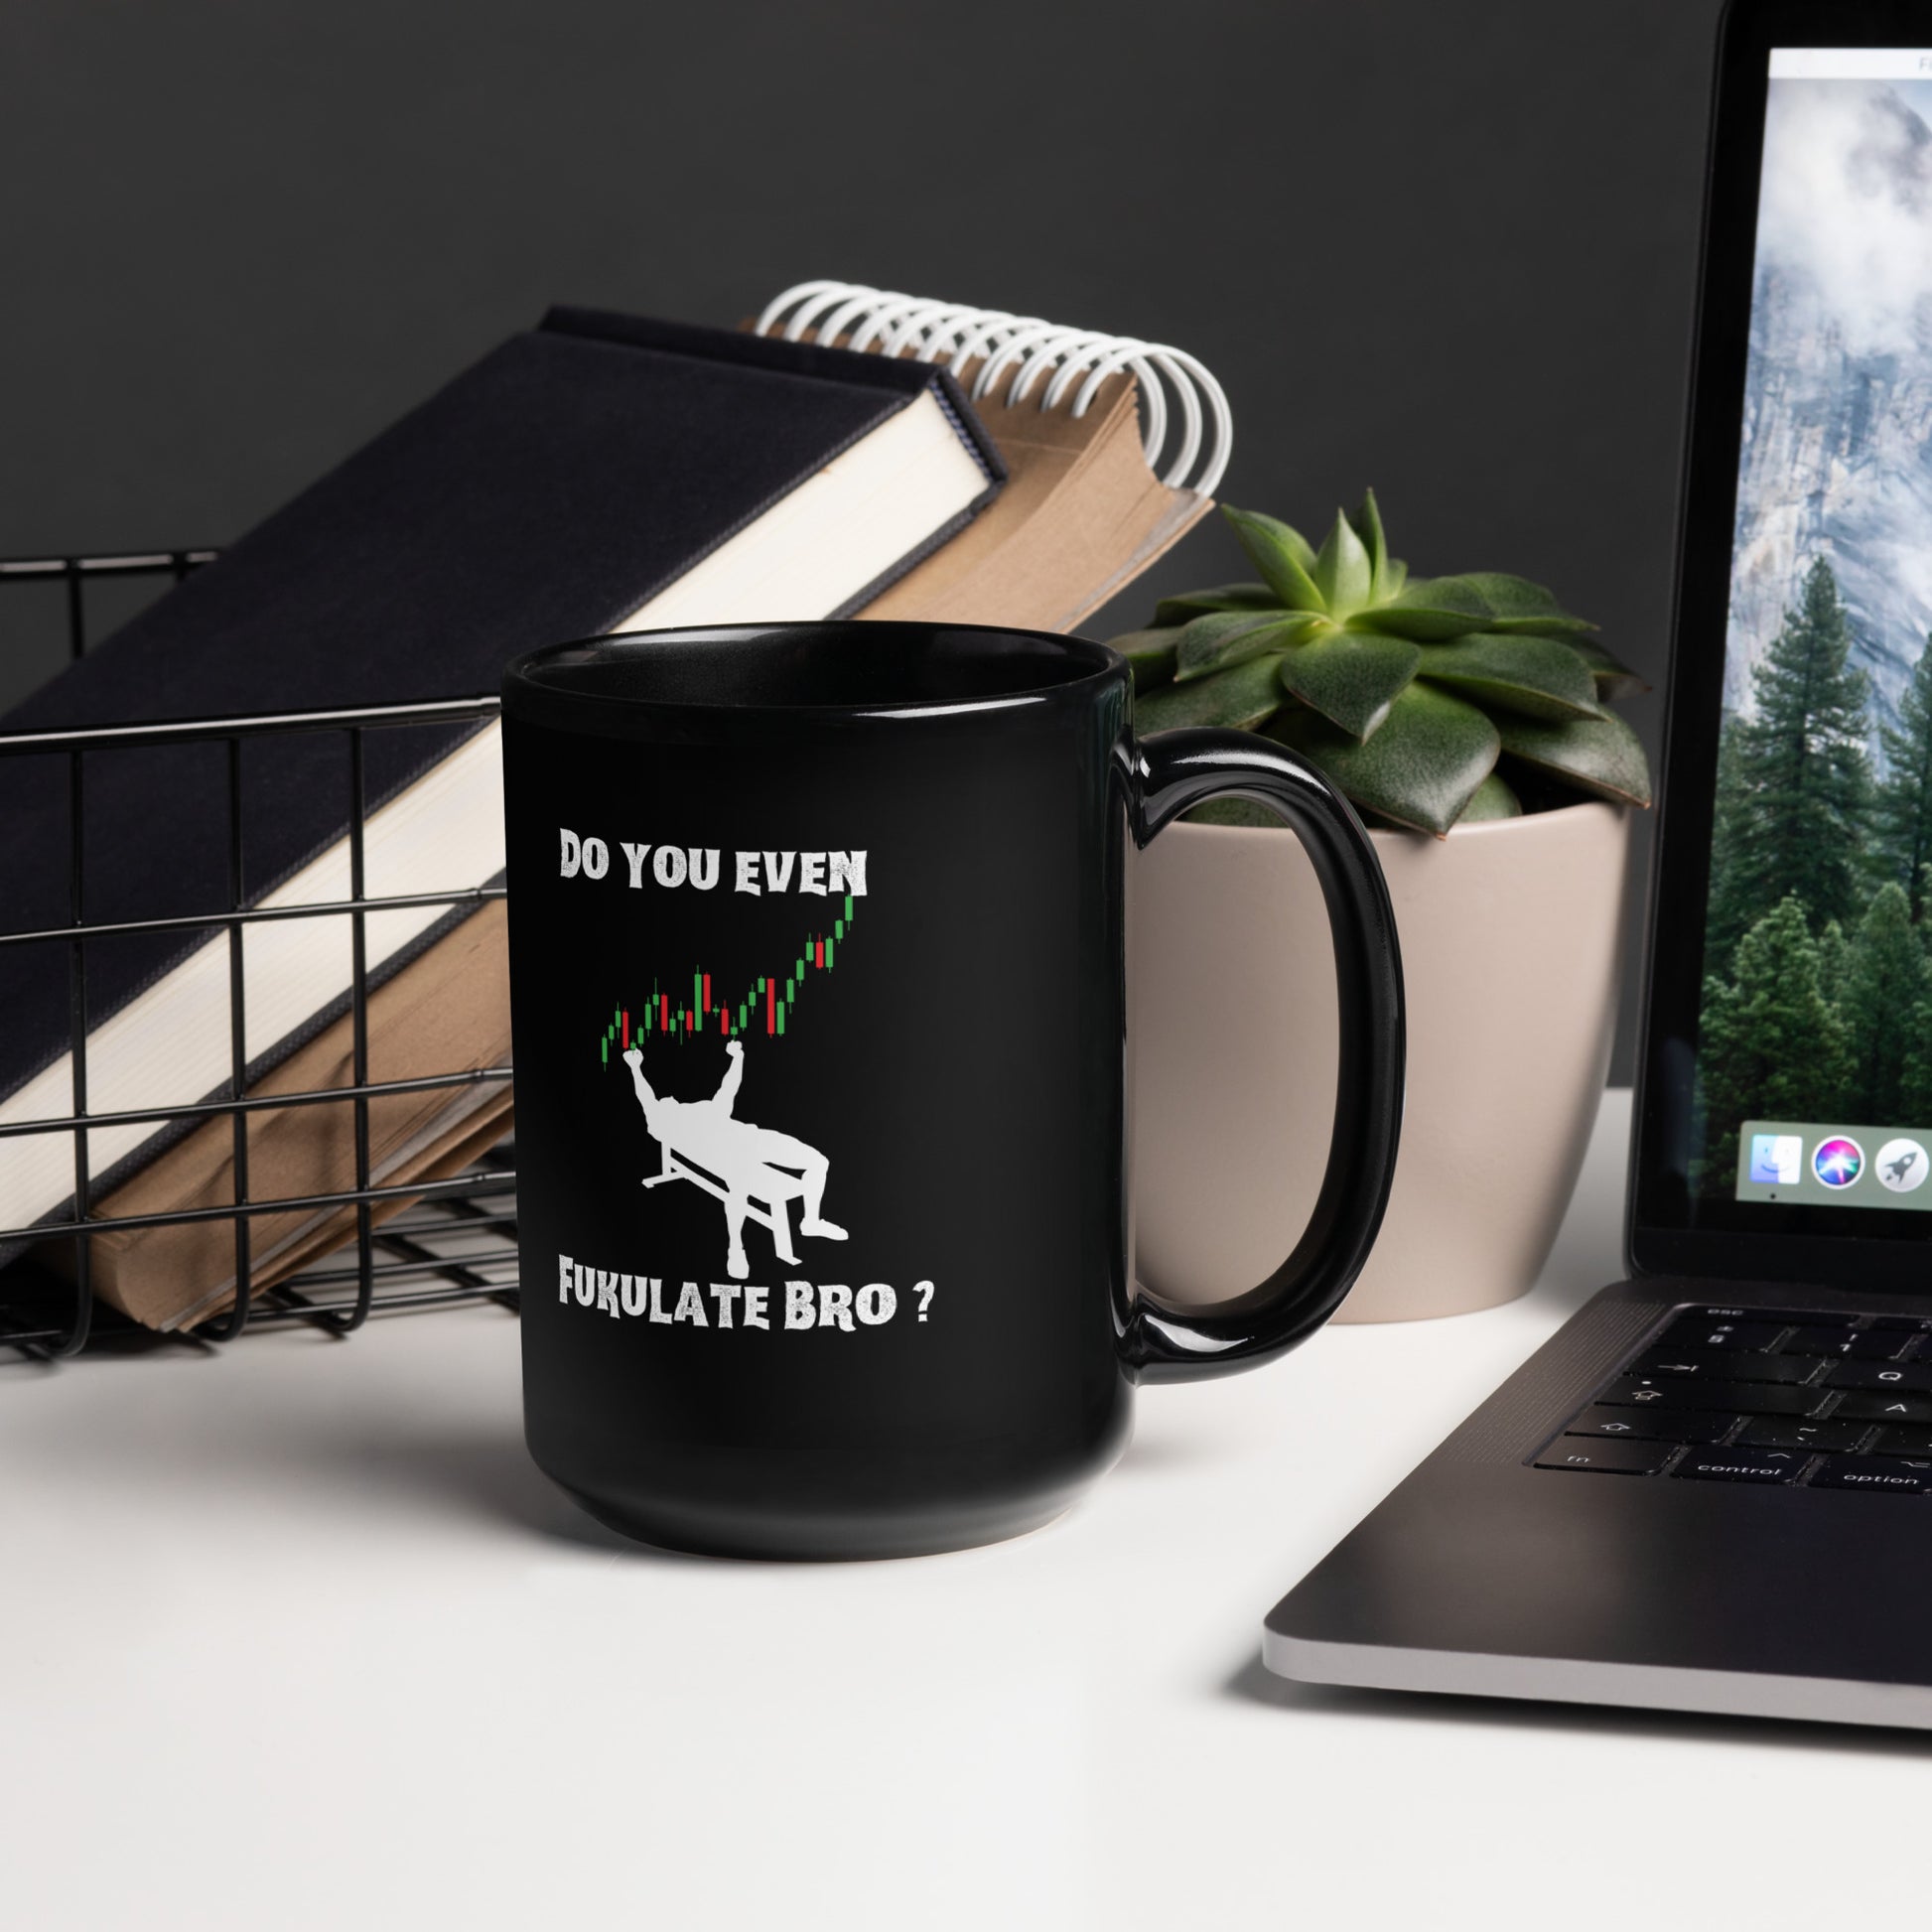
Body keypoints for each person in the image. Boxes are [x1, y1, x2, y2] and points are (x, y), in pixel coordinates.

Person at [623, 1039, 847, 1279]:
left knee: (818, 1162)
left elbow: (728, 1088)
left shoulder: (705, 1109)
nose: (668, 1098)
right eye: (663, 1101)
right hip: (724, 1154)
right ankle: (736, 1249)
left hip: (754, 1138)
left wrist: (737, 1057)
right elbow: (645, 1096)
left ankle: (811, 1222)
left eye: (669, 1099)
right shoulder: (661, 1121)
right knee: (740, 1187)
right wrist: (636, 1067)